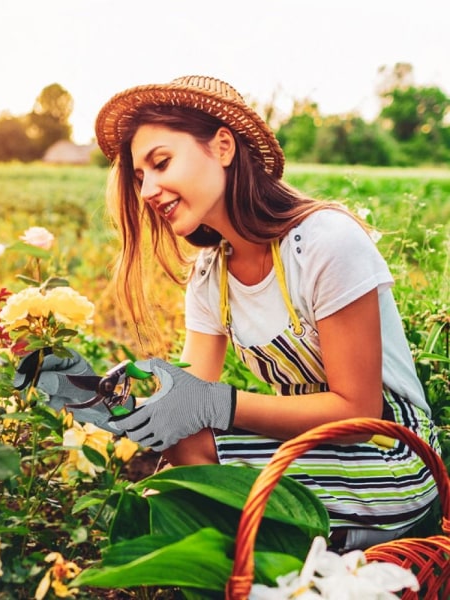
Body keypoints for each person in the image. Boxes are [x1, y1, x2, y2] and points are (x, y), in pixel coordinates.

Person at [31, 75, 440, 552]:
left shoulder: (324, 243)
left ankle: (288, 556)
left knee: (191, 491)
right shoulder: (211, 275)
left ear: (223, 146)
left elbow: (358, 408)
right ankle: (279, 555)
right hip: (318, 449)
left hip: (392, 455)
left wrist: (216, 404)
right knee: (184, 451)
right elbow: (184, 406)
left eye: (161, 163)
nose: (147, 191)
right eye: (140, 178)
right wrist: (97, 399)